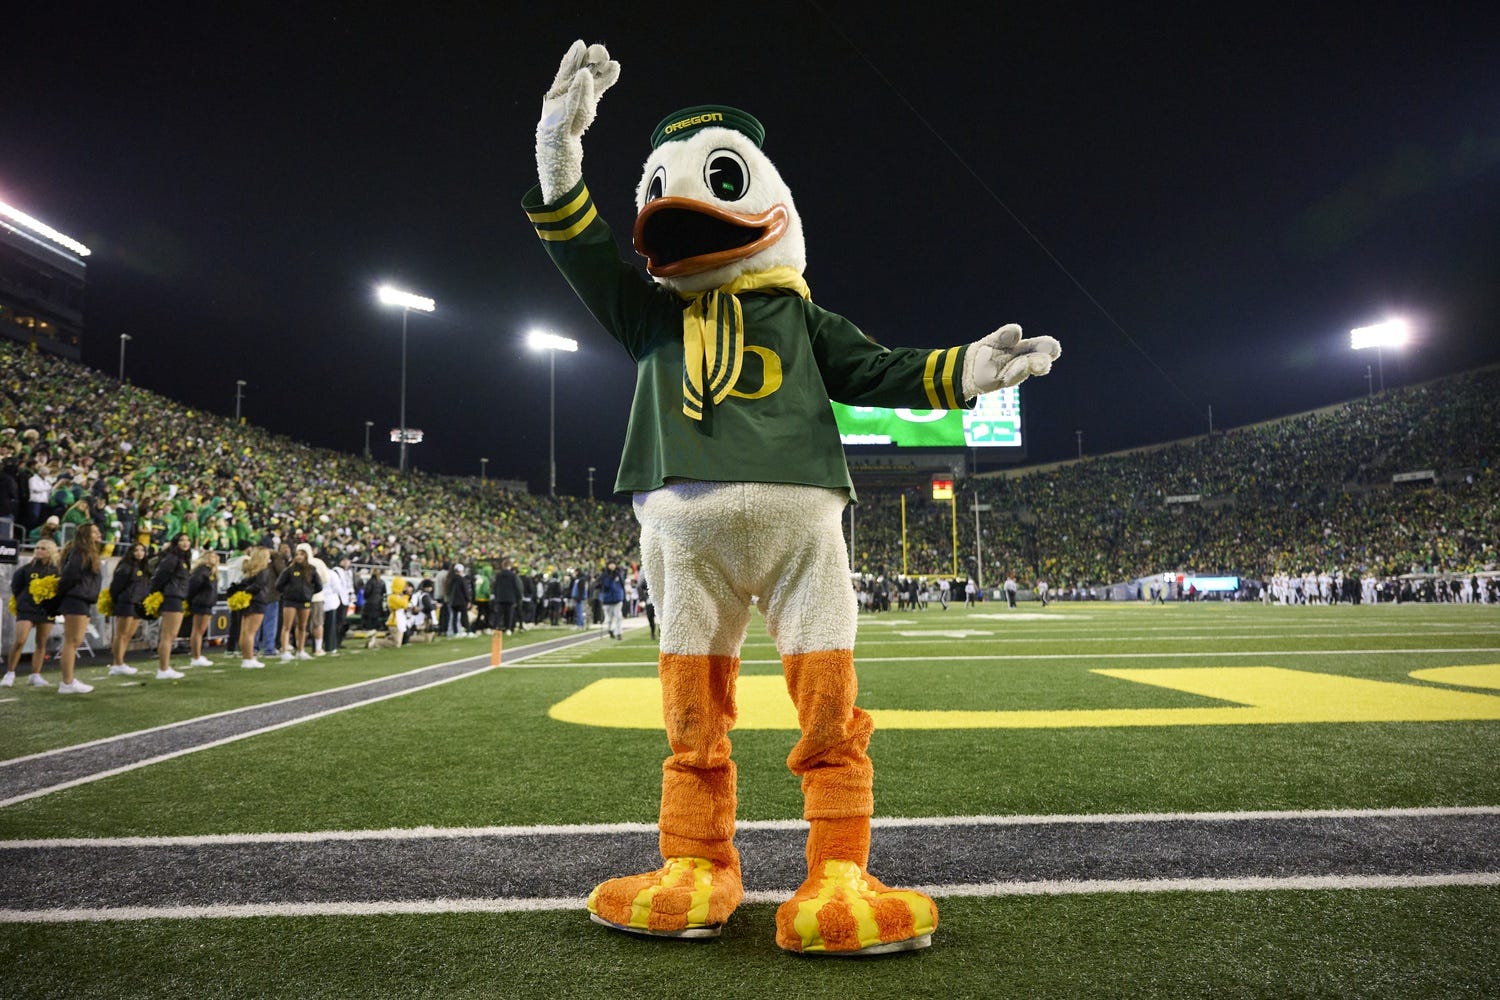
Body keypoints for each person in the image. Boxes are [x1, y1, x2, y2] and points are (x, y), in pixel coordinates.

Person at [3, 538, 62, 689]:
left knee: (41, 643)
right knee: (21, 640)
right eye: (37, 547)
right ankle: (10, 673)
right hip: (27, 608)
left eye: (43, 548)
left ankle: (35, 675)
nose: (38, 550)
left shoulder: (57, 570)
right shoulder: (26, 568)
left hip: (46, 609)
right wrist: (23, 601)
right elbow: (16, 587)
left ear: (50, 552)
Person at [55, 522, 104, 693]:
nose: (99, 533)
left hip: (83, 600)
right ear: (85, 535)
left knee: (74, 642)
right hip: (75, 600)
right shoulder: (80, 552)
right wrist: (62, 595)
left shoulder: (89, 552)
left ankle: (68, 680)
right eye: (94, 531)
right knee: (72, 642)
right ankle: (66, 683)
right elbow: (69, 575)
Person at [148, 531, 192, 680]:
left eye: (187, 540)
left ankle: (165, 667)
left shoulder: (182, 559)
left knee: (171, 636)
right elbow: (158, 577)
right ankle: (163, 669)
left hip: (177, 597)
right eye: (181, 540)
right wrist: (156, 593)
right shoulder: (172, 558)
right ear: (176, 543)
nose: (185, 543)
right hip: (171, 597)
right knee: (167, 636)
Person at [106, 541, 151, 675]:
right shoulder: (125, 567)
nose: (139, 553)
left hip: (137, 604)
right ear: (131, 552)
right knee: (121, 635)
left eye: (142, 550)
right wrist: (118, 601)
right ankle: (117, 663)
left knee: (128, 636)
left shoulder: (144, 568)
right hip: (126, 604)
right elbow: (115, 588)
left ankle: (119, 662)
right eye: (136, 550)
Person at [275, 546, 318, 660]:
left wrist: (309, 593)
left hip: (305, 602)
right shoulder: (289, 570)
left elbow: (318, 585)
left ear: (306, 556)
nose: (299, 557)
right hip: (290, 601)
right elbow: (278, 585)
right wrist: (288, 593)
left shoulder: (312, 570)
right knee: (287, 626)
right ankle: (285, 651)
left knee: (303, 626)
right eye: (297, 554)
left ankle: (301, 650)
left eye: (302, 554)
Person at [234, 546, 273, 668]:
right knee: (250, 632)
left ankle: (246, 658)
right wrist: (247, 592)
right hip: (258, 602)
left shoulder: (249, 570)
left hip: (248, 602)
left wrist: (244, 592)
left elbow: (242, 584)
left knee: (245, 632)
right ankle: (249, 659)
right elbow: (258, 586)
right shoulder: (264, 571)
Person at [186, 550, 220, 667]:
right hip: (201, 604)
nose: (215, 558)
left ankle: (197, 655)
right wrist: (193, 600)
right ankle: (196, 656)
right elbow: (192, 587)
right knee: (198, 631)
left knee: (200, 631)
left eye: (216, 556)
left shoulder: (210, 572)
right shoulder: (201, 571)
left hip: (206, 604)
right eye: (212, 556)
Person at [493, 558, 523, 634]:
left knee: (499, 614)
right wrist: (519, 596)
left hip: (500, 597)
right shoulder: (513, 575)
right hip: (510, 597)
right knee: (509, 614)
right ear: (509, 566)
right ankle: (508, 628)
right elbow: (516, 587)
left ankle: (497, 627)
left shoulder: (498, 575)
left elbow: (495, 586)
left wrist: (496, 596)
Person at [596, 560, 625, 639]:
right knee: (609, 618)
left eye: (613, 564)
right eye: (610, 564)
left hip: (617, 599)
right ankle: (610, 629)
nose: (612, 566)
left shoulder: (619, 574)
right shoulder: (604, 575)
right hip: (607, 600)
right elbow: (597, 584)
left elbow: (622, 585)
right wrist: (599, 584)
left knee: (618, 617)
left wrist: (623, 596)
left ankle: (618, 633)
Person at [444, 563, 471, 637]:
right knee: (464, 616)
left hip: (452, 600)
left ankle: (455, 632)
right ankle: (468, 631)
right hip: (461, 600)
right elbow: (465, 590)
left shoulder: (450, 579)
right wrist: (468, 600)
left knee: (454, 617)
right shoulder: (461, 579)